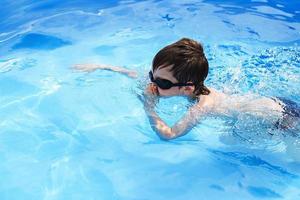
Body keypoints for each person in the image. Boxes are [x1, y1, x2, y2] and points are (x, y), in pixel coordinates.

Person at [74, 38, 299, 140]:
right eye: (154, 76)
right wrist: (102, 66)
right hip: (274, 105)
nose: (152, 84)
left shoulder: (204, 104)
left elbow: (170, 135)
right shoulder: (176, 83)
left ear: (186, 88)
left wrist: (149, 107)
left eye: (161, 83)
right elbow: (136, 74)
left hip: (274, 116)